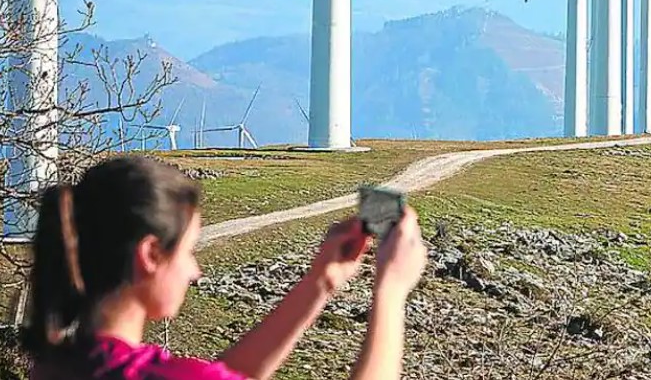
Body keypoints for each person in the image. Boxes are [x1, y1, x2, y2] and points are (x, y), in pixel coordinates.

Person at [22, 155, 428, 380]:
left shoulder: (58, 366)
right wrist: (389, 293)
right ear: (149, 255)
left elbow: (225, 376)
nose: (194, 271)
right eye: (188, 251)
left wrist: (320, 282)